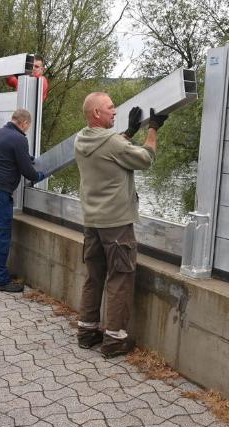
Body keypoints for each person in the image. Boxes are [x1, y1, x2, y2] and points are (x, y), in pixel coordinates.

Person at [73, 92, 168, 358]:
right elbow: (146, 159)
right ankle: (114, 341)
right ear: (96, 114)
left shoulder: (81, 139)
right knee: (120, 279)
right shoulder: (112, 143)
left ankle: (87, 332)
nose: (115, 111)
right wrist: (152, 129)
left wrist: (128, 131)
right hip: (116, 224)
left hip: (92, 222)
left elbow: (109, 149)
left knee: (94, 277)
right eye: (111, 108)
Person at [0, 109, 46, 292]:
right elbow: (28, 172)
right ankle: (0, 280)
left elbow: (6, 157)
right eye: (28, 126)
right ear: (24, 123)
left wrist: (26, 158)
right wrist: (41, 174)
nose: (27, 129)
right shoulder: (19, 139)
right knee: (0, 235)